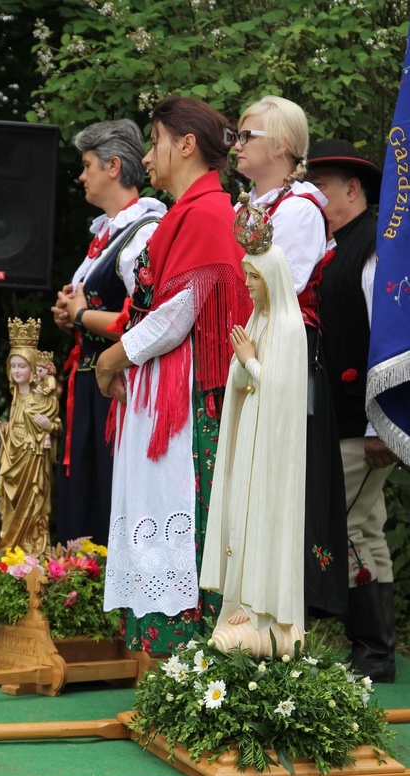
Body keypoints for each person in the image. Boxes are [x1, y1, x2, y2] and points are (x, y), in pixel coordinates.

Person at [95, 96, 249, 655]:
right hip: (165, 390)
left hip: (183, 398)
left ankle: (191, 661)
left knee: (178, 515)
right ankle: (168, 665)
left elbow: (179, 311)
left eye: (156, 139)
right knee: (158, 512)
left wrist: (113, 357)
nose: (148, 153)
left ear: (186, 145)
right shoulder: (187, 211)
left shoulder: (206, 211)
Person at [233, 95, 348, 619]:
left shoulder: (300, 209)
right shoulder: (249, 208)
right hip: (247, 349)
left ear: (280, 147)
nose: (236, 145)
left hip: (280, 356)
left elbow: (281, 292)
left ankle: (282, 613)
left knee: (281, 480)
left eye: (246, 136)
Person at [306, 139, 398, 681]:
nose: (313, 197)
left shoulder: (372, 252)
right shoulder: (336, 248)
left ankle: (375, 653)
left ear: (352, 189)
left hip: (360, 422)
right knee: (357, 527)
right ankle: (370, 650)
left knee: (354, 527)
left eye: (320, 186)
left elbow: (385, 343)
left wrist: (376, 423)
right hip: (337, 421)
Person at [51, 119, 166, 547]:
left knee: (110, 488)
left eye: (86, 165)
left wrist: (81, 316)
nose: (81, 176)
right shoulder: (106, 233)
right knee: (86, 488)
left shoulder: (145, 231)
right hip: (91, 381)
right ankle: (80, 590)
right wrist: (71, 313)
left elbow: (147, 315)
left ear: (113, 166)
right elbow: (97, 305)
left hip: (121, 384)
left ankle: (109, 598)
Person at [200, 204, 307, 659]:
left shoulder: (287, 326)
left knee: (263, 516)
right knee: (240, 514)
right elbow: (245, 384)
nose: (247, 284)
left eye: (254, 277)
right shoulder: (261, 320)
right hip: (250, 439)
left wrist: (247, 360)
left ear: (272, 278)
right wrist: (242, 365)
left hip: (272, 449)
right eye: (246, 275)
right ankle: (241, 600)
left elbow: (282, 390)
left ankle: (265, 614)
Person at [0, 317, 62, 556]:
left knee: (34, 500)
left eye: (21, 366)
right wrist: (5, 428)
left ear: (33, 367)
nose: (16, 371)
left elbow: (56, 425)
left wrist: (48, 426)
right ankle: (12, 546)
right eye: (13, 366)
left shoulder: (44, 396)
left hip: (33, 457)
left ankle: (33, 547)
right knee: (8, 497)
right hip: (14, 453)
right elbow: (17, 423)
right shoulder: (15, 397)